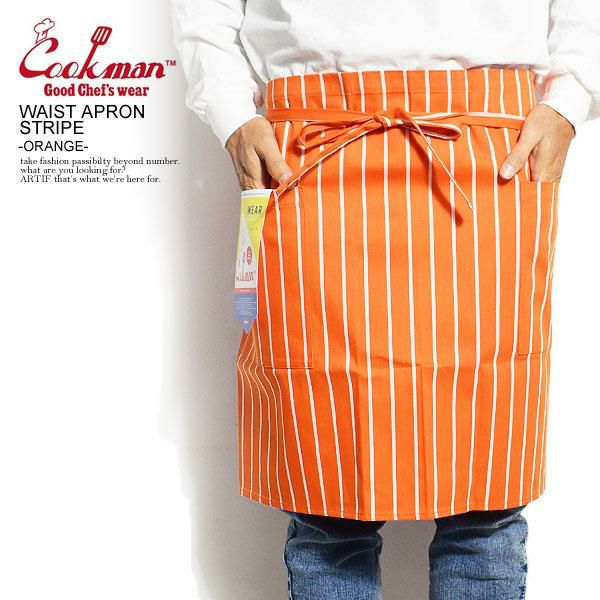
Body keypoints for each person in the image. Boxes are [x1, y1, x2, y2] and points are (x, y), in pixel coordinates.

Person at [171, 1, 600, 598]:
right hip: (311, 146)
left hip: (485, 147)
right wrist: (231, 113)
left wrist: (570, 99)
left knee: (486, 504)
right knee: (326, 504)